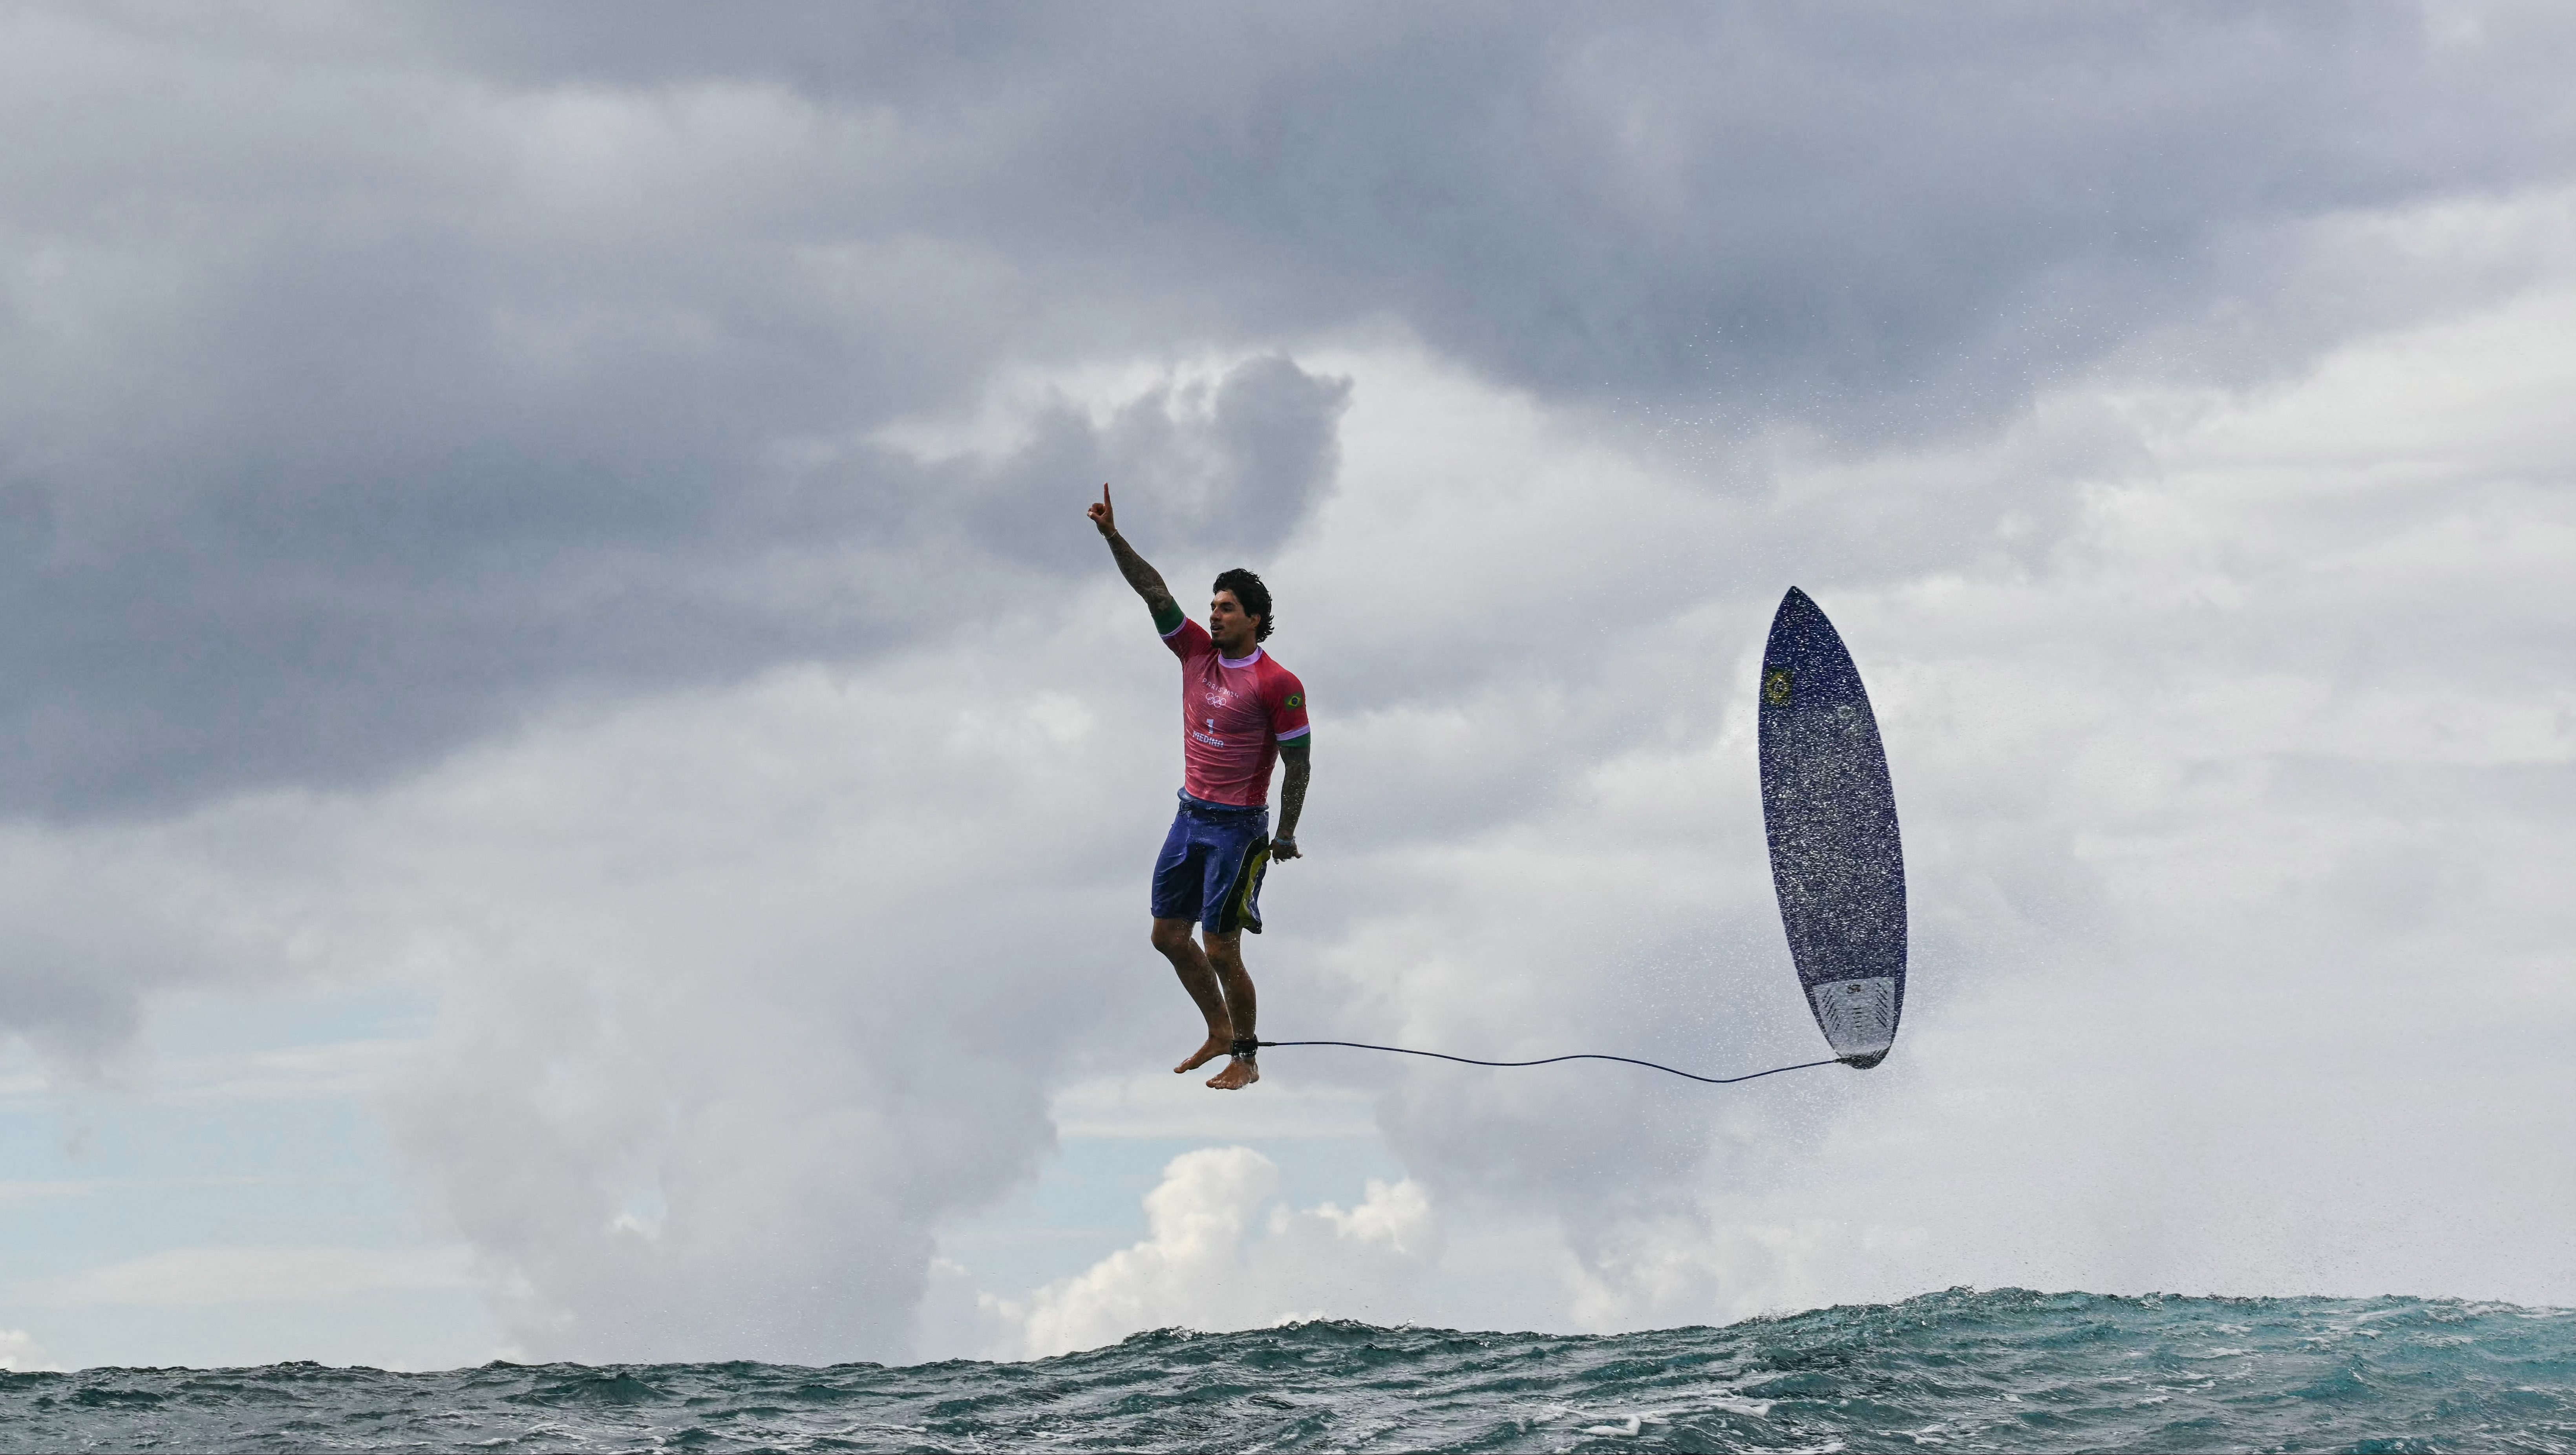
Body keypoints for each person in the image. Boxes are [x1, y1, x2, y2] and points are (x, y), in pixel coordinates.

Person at [1087, 484, 1310, 1091]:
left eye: (1227, 608)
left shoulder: (1277, 682)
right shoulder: (1194, 652)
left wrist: (1285, 832)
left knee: (1220, 947)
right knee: (1167, 936)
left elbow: (1299, 763)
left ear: (1255, 619)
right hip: (1189, 816)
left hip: (1238, 830)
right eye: (1212, 606)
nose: (1214, 615)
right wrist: (1112, 536)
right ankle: (1217, 1029)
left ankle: (1246, 1055)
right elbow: (1153, 590)